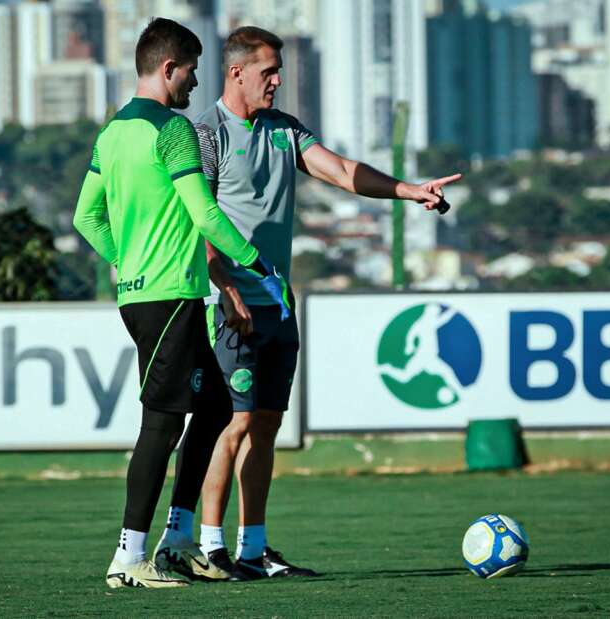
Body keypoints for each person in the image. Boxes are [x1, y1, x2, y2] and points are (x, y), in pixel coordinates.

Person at [174, 26, 462, 580]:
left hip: (279, 304)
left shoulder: (284, 130)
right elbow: (199, 216)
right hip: (232, 306)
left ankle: (253, 549)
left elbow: (340, 171)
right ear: (236, 73)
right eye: (268, 72)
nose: (278, 81)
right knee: (229, 425)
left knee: (264, 427)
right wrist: (226, 287)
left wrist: (408, 189)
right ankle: (211, 550)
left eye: (278, 70)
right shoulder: (204, 133)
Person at [73, 18, 289, 589]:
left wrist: (125, 260)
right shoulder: (172, 129)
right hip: (170, 295)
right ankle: (128, 559)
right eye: (191, 70)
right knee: (162, 427)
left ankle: (175, 539)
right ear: (168, 68)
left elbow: (84, 217)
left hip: (146, 295)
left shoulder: (112, 132)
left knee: (217, 406)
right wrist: (259, 267)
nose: (196, 82)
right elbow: (208, 214)